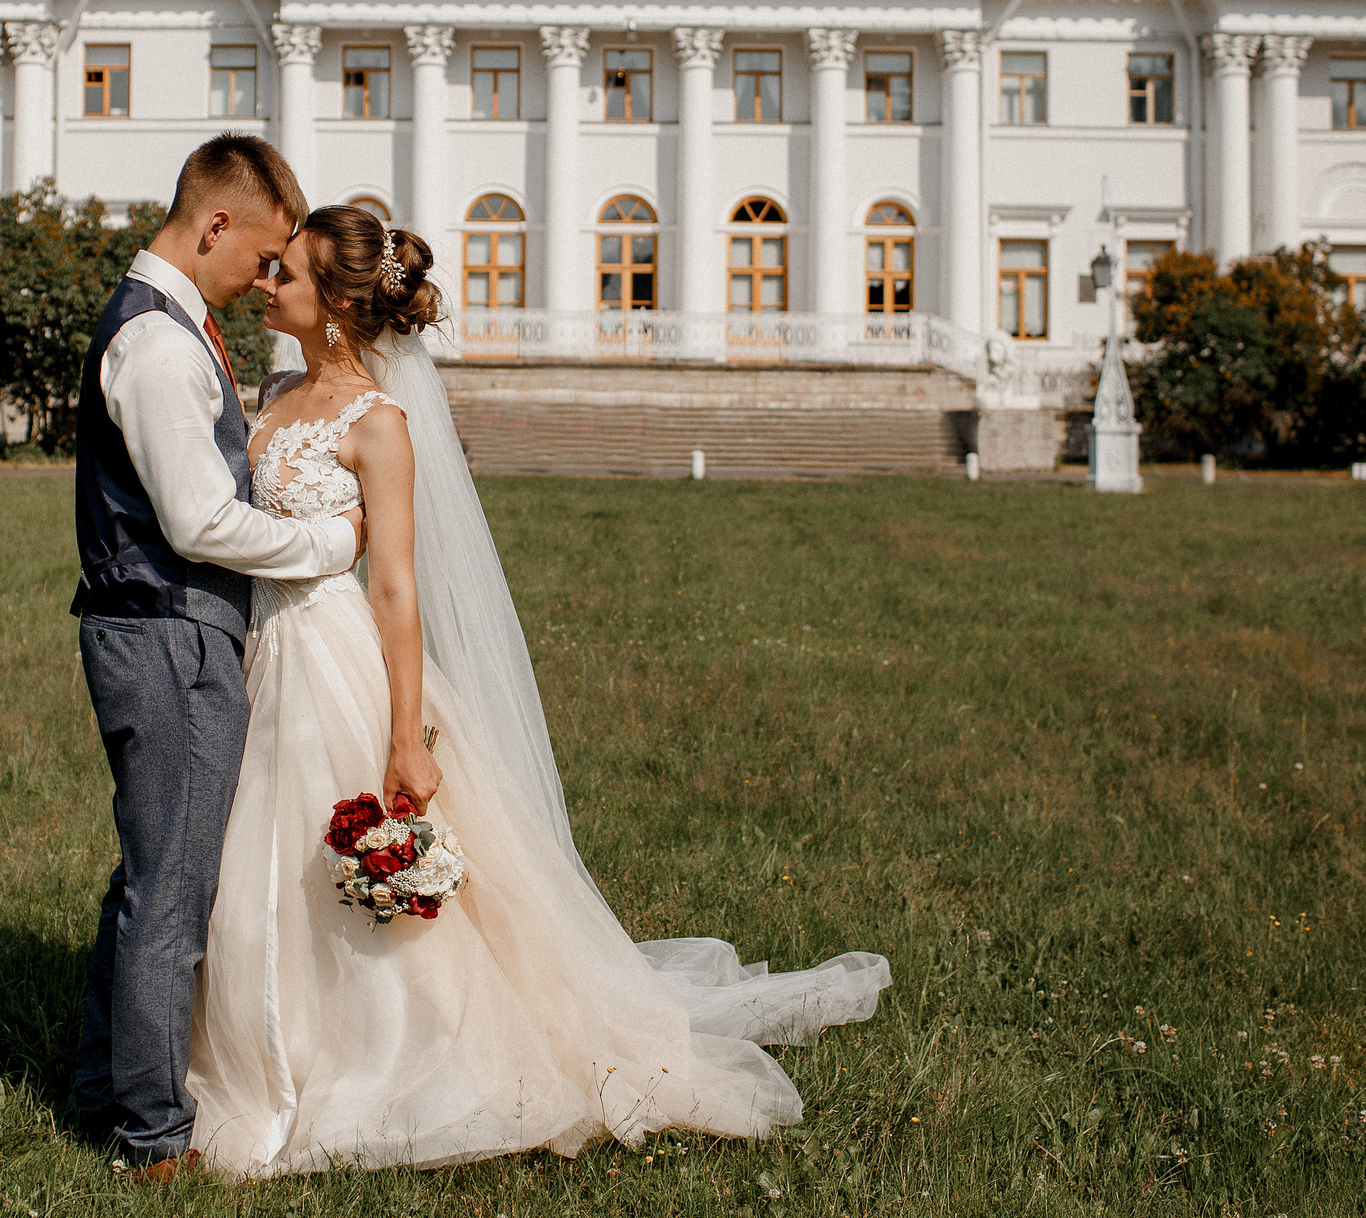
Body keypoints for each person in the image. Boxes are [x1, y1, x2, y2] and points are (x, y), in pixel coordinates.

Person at [185, 205, 890, 1177]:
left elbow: (394, 583)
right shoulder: (275, 390)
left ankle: (372, 1057)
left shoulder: (377, 425)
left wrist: (405, 736)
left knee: (327, 860)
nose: (266, 284)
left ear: (339, 307)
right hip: (256, 656)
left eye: (287, 276)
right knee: (245, 865)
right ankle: (245, 1045)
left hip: (334, 663)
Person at [67, 136, 366, 1182]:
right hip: (165, 630)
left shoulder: (168, 325)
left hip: (163, 628)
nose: (263, 279)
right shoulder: (153, 344)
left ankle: (103, 1083)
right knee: (172, 889)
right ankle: (150, 1136)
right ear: (212, 228)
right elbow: (196, 521)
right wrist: (326, 548)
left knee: (149, 874)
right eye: (264, 254)